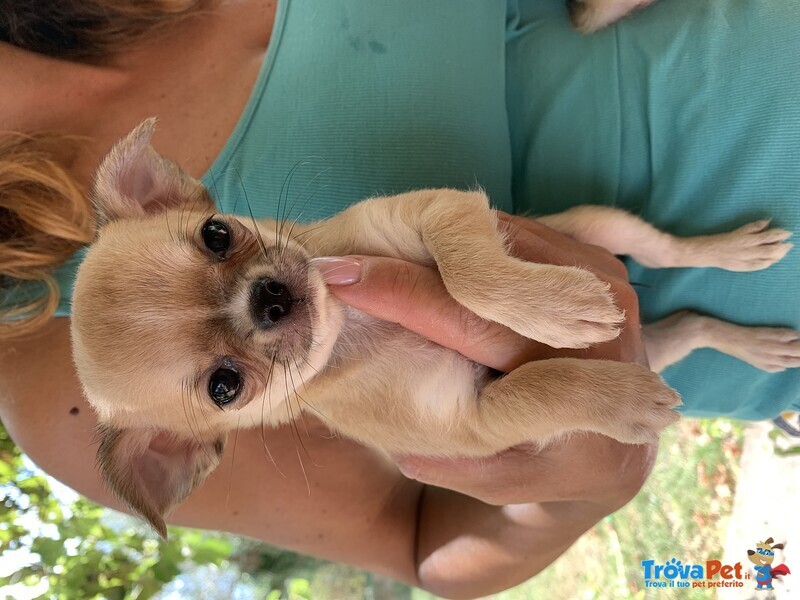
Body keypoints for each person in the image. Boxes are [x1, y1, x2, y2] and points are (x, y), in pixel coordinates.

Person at [0, 0, 797, 596]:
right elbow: (433, 535)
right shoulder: (45, 365)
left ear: (162, 190)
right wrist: (585, 466)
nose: (262, 303)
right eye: (225, 381)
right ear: (181, 445)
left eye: (219, 242)